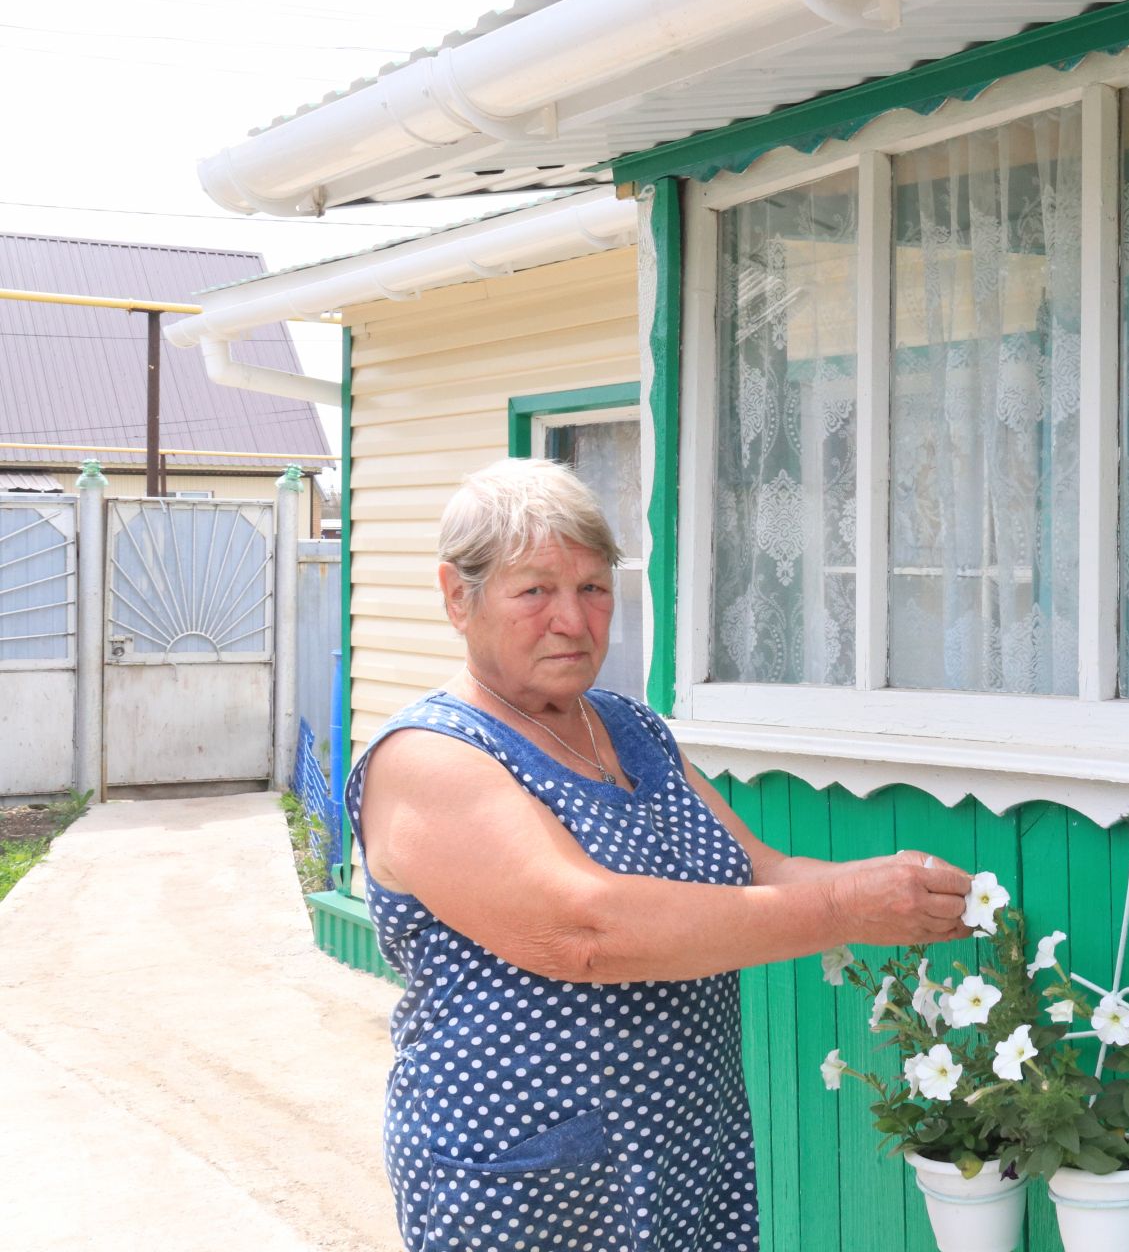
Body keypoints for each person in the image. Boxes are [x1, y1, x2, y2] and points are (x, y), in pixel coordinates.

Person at [346, 457, 972, 1251]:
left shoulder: (628, 727)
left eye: (594, 587)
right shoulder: (430, 755)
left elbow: (755, 869)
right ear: (455, 596)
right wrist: (842, 909)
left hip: (681, 1151)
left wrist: (895, 891)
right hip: (531, 1177)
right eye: (535, 590)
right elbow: (583, 933)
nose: (573, 619)